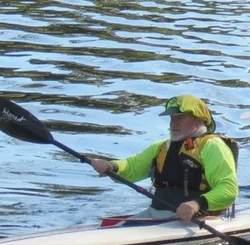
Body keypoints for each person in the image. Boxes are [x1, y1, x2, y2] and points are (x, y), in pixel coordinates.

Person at [89, 95, 238, 223]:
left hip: (197, 219)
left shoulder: (212, 146)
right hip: (156, 214)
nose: (174, 123)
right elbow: (132, 166)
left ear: (199, 120)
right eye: (172, 118)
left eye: (180, 118)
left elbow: (228, 189)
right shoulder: (162, 147)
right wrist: (111, 166)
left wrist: (196, 204)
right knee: (115, 230)